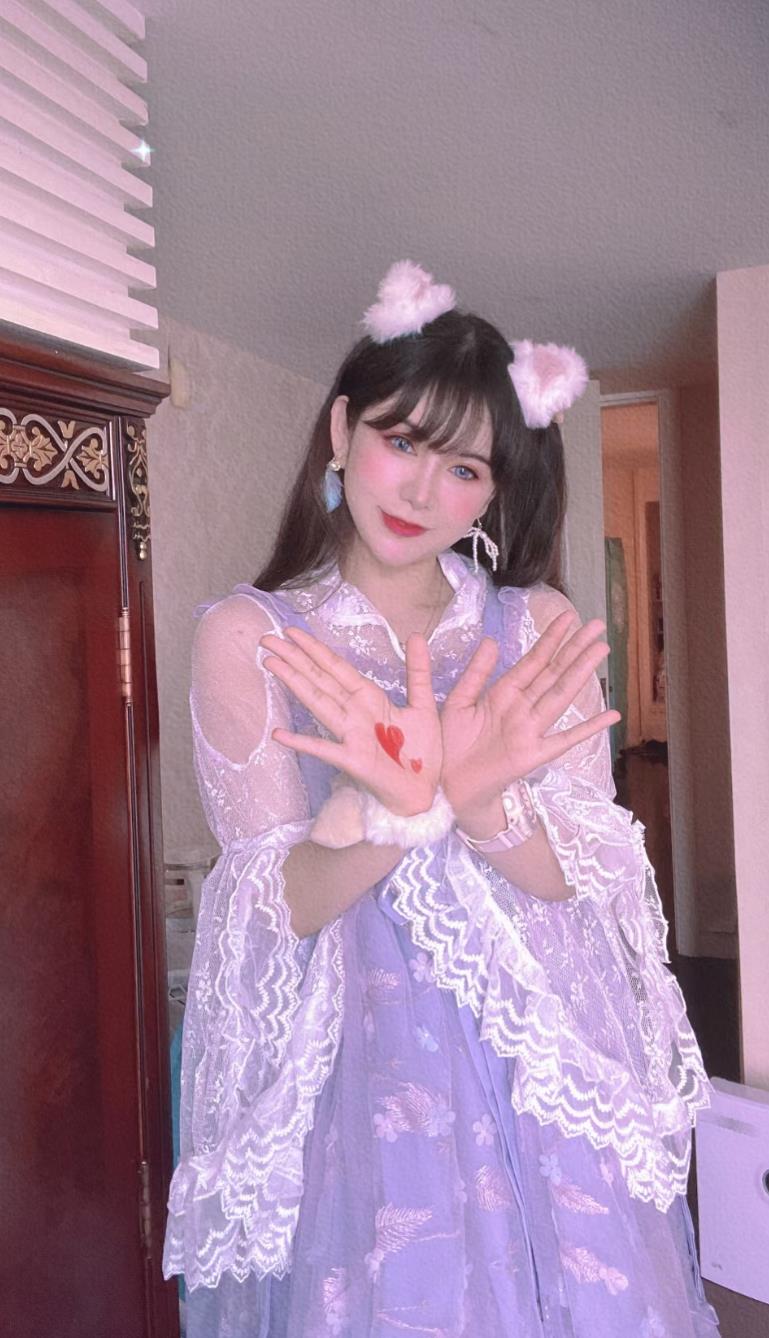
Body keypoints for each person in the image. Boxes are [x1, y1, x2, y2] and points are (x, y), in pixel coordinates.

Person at [163, 261, 719, 1337]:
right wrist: (398, 812)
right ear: (342, 431)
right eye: (402, 441)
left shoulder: (534, 625)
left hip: (539, 1063)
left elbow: (573, 880)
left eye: (462, 467)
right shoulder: (251, 638)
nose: (420, 491)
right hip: (364, 1072)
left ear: (494, 490)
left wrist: (479, 806)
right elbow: (273, 905)